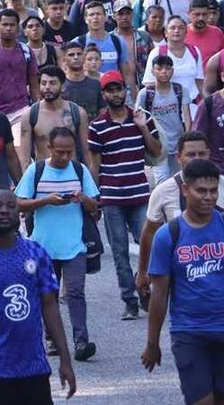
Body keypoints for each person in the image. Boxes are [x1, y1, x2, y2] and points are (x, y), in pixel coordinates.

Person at [0, 188, 77, 405]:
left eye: (10, 206)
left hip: (35, 366)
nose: (4, 211)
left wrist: (65, 359)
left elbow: (50, 307)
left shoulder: (36, 253)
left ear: (18, 213)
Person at [142, 158, 224, 405]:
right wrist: (152, 343)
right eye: (201, 191)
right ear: (185, 189)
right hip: (189, 332)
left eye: (213, 191)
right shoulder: (169, 235)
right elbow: (159, 294)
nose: (208, 197)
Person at [15, 127, 101, 362]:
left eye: (69, 152)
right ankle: (51, 338)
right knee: (48, 295)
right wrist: (46, 201)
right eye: (60, 152)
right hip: (43, 247)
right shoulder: (36, 170)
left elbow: (95, 208)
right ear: (49, 149)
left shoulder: (79, 170)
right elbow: (18, 203)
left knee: (75, 292)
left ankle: (81, 341)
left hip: (74, 245)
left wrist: (83, 199)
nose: (64, 157)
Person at [88, 70, 161, 320]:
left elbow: (157, 151)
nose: (115, 93)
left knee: (147, 247)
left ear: (125, 90)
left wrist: (142, 128)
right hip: (112, 198)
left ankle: (145, 290)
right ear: (104, 94)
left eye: (118, 88)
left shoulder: (142, 117)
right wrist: (95, 199)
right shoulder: (96, 126)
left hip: (139, 194)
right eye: (110, 90)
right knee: (119, 252)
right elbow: (94, 167)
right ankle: (129, 300)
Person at [135, 131, 224, 303]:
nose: (197, 158)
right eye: (191, 154)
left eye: (202, 154)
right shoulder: (163, 191)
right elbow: (149, 232)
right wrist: (143, 272)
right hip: (183, 276)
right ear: (178, 158)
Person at [138, 54, 192, 183]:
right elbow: (140, 118)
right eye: (159, 68)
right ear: (152, 71)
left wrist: (186, 139)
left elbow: (187, 116)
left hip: (178, 142)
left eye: (167, 68)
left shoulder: (180, 90)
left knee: (179, 180)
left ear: (172, 71)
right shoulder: (145, 93)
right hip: (159, 145)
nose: (164, 72)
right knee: (162, 181)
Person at [22, 65, 90, 165]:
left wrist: (90, 178)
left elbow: (87, 153)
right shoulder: (30, 115)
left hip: (71, 175)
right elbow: (25, 158)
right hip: (43, 176)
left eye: (52, 83)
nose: (47, 87)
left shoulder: (78, 113)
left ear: (62, 87)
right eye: (44, 83)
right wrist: (27, 179)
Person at [60, 41, 102, 119]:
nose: (76, 57)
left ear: (84, 57)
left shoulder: (96, 85)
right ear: (64, 60)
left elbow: (102, 114)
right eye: (71, 55)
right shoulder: (60, 87)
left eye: (79, 54)